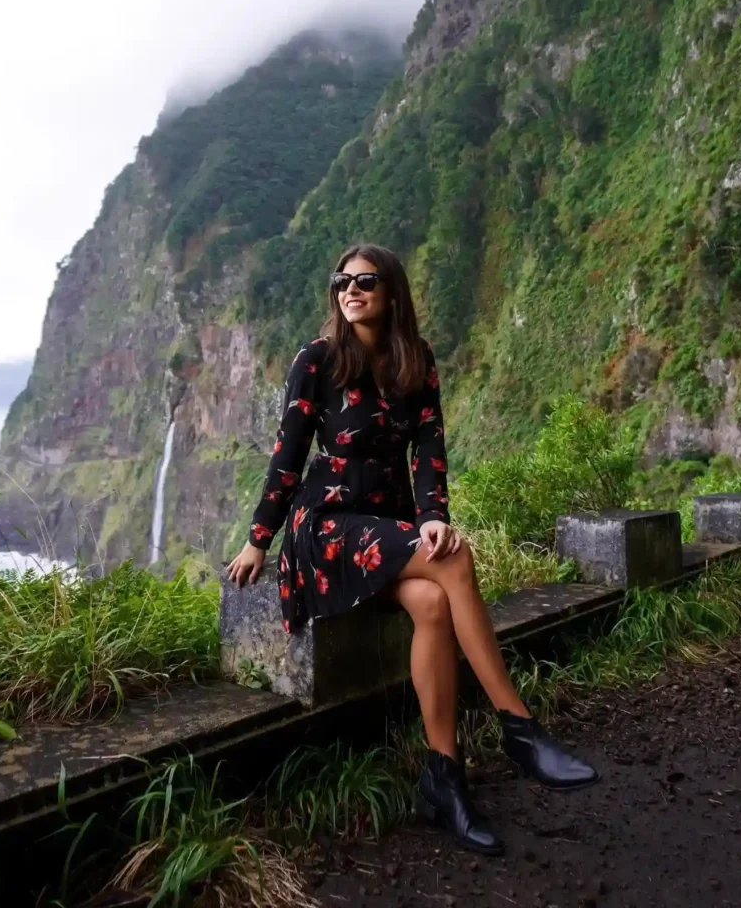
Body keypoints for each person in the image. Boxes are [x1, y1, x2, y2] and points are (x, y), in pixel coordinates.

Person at [227, 243, 599, 856]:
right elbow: (287, 457)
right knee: (455, 560)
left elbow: (430, 453)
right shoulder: (317, 360)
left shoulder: (416, 362)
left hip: (390, 525)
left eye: (365, 281)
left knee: (430, 600)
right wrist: (257, 540)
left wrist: (432, 518)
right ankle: (521, 730)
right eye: (341, 281)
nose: (350, 290)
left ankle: (443, 776)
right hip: (327, 528)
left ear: (392, 292)